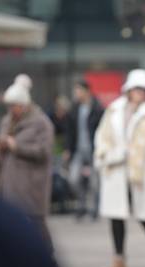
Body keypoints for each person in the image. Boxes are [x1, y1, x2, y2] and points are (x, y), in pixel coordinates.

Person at [94, 69, 145, 267]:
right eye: (136, 88)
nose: (139, 93)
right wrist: (111, 156)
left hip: (142, 175)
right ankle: (119, 261)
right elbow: (102, 137)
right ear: (128, 89)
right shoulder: (113, 110)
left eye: (143, 89)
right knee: (116, 217)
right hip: (116, 172)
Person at [0, 74, 55, 252]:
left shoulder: (41, 123)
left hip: (31, 183)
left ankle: (46, 259)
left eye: (16, 106)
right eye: (10, 106)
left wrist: (16, 146)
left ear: (25, 105)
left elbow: (44, 152)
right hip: (9, 181)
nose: (13, 110)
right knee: (10, 224)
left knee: (35, 223)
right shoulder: (7, 121)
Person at [64, 79, 103, 220]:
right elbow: (69, 132)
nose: (76, 94)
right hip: (78, 150)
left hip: (95, 150)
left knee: (94, 182)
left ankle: (94, 208)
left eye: (79, 90)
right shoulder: (74, 109)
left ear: (87, 91)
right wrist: (67, 149)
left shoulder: (98, 108)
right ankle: (81, 205)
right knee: (73, 179)